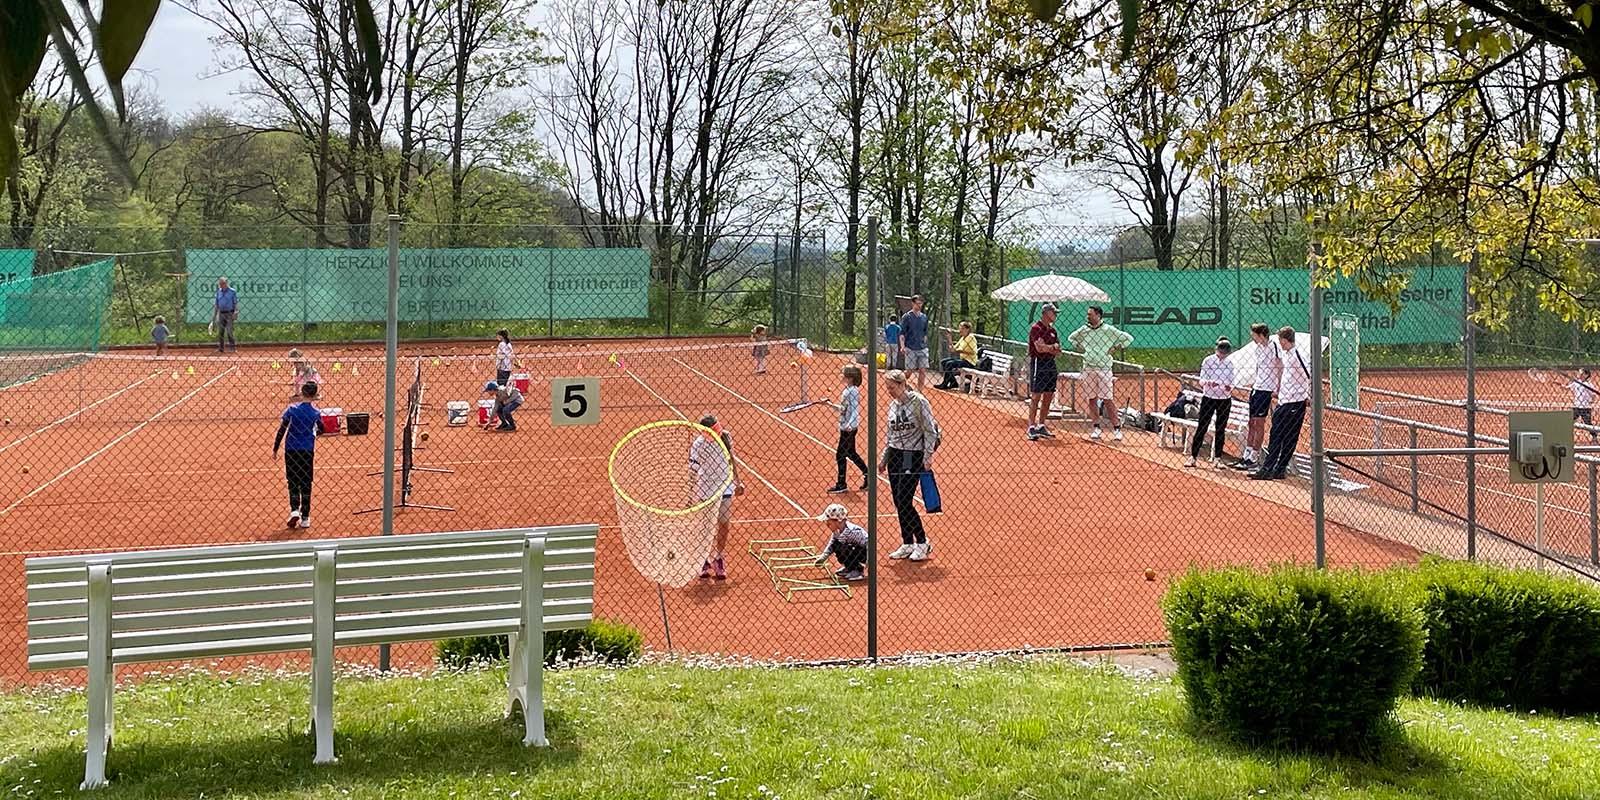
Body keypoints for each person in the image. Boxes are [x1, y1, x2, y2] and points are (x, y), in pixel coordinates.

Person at [879, 370, 938, 561]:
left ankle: (922, 542)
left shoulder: (919, 402)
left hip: (912, 455)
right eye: (887, 387)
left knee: (905, 500)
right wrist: (884, 458)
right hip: (895, 456)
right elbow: (891, 436)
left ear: (903, 384)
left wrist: (928, 456)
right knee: (898, 502)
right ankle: (907, 542)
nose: (890, 391)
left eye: (893, 387)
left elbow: (930, 430)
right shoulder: (893, 406)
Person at [1252, 327, 1312, 480]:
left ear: (1285, 340)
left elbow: (1308, 375)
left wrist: (1308, 395)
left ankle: (1276, 469)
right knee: (1276, 435)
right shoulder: (1287, 355)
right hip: (1284, 401)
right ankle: (1271, 468)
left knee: (1288, 437)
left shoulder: (1297, 355)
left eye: (1281, 340)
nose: (1280, 343)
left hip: (1295, 403)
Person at [1068, 306, 1134, 440]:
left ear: (1098, 315)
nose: (1087, 317)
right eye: (1087, 314)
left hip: (1104, 368)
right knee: (1091, 398)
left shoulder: (1108, 330)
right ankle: (1096, 427)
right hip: (1088, 368)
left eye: (1090, 314)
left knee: (1108, 399)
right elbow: (1071, 338)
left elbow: (1128, 338)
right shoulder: (1084, 330)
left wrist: (1115, 347)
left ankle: (1116, 429)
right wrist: (1083, 348)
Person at [692, 414, 744, 580]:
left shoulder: (726, 437)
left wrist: (738, 482)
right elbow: (692, 470)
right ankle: (704, 560)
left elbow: (731, 459)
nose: (718, 432)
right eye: (714, 431)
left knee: (724, 523)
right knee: (706, 525)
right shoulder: (698, 445)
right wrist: (689, 494)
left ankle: (719, 558)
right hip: (707, 487)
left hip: (725, 486)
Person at [274, 381, 320, 530]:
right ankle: (305, 517)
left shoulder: (292, 410)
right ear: (314, 395)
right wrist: (313, 432)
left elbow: (282, 429)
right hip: (307, 450)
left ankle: (294, 509)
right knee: (306, 483)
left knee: (292, 481)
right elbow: (323, 428)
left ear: (302, 392)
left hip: (291, 450)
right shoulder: (315, 413)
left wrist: (275, 448)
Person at [1234, 323, 1280, 472]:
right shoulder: (1258, 348)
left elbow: (1280, 366)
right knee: (1251, 422)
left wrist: (1277, 387)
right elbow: (1259, 368)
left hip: (1267, 389)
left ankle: (1254, 457)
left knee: (1259, 423)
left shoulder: (1274, 346)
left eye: (1253, 334)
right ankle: (1246, 456)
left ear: (1261, 334)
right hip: (1257, 388)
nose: (1252, 337)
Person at [1187, 337, 1236, 469]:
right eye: (1220, 351)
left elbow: (1232, 381)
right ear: (1216, 349)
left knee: (1221, 428)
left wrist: (1229, 387)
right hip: (1209, 397)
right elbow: (1201, 380)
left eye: (1224, 353)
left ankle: (1217, 458)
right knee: (1202, 425)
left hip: (1224, 399)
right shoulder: (1208, 361)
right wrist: (1209, 383)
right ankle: (1193, 457)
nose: (1222, 355)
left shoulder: (1230, 363)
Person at [827, 364, 869, 493]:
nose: (841, 376)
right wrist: (829, 405)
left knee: (840, 455)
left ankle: (841, 483)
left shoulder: (853, 391)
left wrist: (851, 424)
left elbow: (855, 409)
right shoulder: (847, 390)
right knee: (851, 453)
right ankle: (868, 474)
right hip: (846, 426)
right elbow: (844, 409)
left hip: (848, 428)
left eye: (843, 374)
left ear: (850, 378)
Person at [1027, 304, 1063, 441]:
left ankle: (1041, 424)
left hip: (1050, 363)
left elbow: (1059, 351)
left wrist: (1050, 348)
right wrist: (1051, 347)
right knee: (1036, 395)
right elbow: (1039, 349)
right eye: (1054, 312)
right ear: (1046, 312)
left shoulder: (1053, 330)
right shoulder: (1036, 328)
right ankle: (1031, 426)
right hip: (1039, 362)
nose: (1056, 315)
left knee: (1049, 395)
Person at [812, 503, 868, 581]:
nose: (827, 524)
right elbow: (832, 543)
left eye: (829, 522)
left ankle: (857, 570)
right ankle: (850, 567)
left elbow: (868, 543)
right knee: (837, 546)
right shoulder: (837, 531)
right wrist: (824, 556)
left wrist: (869, 560)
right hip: (855, 551)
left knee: (842, 547)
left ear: (838, 521)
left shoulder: (852, 531)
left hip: (865, 552)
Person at [899, 295, 931, 392]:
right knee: (909, 371)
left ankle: (920, 391)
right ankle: (898, 381)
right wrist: (902, 346)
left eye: (921, 303)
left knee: (923, 370)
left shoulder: (924, 317)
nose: (919, 305)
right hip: (911, 347)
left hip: (922, 347)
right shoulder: (907, 317)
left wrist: (925, 343)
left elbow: (925, 333)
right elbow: (902, 333)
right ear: (912, 303)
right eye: (917, 303)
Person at [937, 321, 979, 390]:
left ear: (967, 329)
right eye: (960, 328)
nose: (960, 330)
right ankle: (953, 382)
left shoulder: (971, 337)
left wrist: (960, 351)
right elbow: (953, 350)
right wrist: (950, 339)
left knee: (949, 364)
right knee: (944, 362)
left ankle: (945, 383)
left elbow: (973, 352)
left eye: (962, 328)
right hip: (963, 360)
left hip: (969, 362)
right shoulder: (962, 338)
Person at [1569, 368, 1599, 443]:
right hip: (1577, 405)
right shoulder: (1577, 382)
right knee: (1570, 420)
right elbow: (1568, 388)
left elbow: (1593, 395)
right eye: (1579, 373)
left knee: (1587, 423)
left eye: (1582, 374)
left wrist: (1592, 401)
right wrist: (1560, 385)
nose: (1579, 375)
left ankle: (1594, 435)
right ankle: (1568, 435)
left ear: (1586, 375)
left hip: (1585, 407)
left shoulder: (1588, 385)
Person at [212, 277, 238, 353]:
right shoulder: (218, 292)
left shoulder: (232, 291)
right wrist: (214, 316)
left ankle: (232, 348)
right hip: (221, 313)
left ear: (226, 283)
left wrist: (236, 311)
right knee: (221, 331)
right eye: (220, 284)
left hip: (230, 313)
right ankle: (221, 348)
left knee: (229, 331)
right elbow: (216, 305)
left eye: (222, 283)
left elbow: (235, 303)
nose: (221, 285)